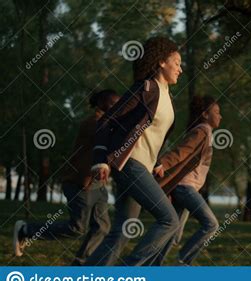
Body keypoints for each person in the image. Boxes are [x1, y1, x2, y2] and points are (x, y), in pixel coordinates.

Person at [85, 36, 183, 266]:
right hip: (130, 165)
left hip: (143, 169)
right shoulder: (146, 88)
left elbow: (153, 137)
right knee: (169, 220)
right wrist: (101, 160)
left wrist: (157, 163)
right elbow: (108, 121)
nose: (180, 68)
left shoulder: (167, 96)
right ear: (161, 62)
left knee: (122, 230)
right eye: (177, 62)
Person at [13, 89, 120, 265]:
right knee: (77, 228)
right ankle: (26, 229)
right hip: (79, 183)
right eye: (115, 104)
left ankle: (80, 264)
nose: (119, 107)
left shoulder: (107, 122)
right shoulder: (93, 123)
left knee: (102, 227)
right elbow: (113, 138)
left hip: (97, 185)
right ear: (103, 104)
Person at [153, 95, 222, 265]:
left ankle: (153, 266)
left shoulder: (205, 131)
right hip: (185, 187)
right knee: (211, 224)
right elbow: (181, 151)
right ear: (205, 114)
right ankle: (183, 261)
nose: (220, 116)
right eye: (217, 112)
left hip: (185, 187)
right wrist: (161, 164)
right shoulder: (202, 130)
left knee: (173, 233)